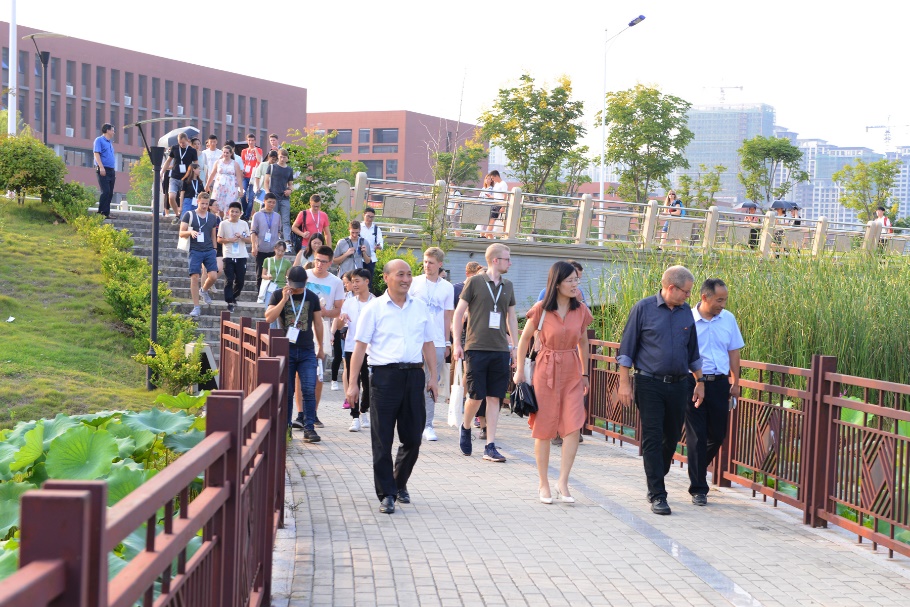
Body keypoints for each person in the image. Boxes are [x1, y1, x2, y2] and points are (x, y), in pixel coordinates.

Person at [346, 259, 437, 514]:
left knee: (413, 438)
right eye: (400, 274)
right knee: (382, 438)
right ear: (386, 278)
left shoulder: (420, 307)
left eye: (409, 274)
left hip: (414, 376)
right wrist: (353, 384)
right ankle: (387, 493)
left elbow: (428, 343)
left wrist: (433, 377)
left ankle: (398, 482)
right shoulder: (374, 309)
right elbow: (359, 348)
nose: (406, 279)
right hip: (384, 378)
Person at [616, 265, 705, 516]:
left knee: (672, 436)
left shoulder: (686, 312)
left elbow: (693, 351)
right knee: (652, 437)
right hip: (649, 383)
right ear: (671, 288)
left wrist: (700, 381)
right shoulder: (643, 309)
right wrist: (624, 383)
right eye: (686, 291)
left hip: (679, 384)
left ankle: (656, 473)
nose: (689, 296)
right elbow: (626, 349)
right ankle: (658, 494)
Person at [513, 261, 593, 504]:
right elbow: (524, 339)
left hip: (571, 371)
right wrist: (519, 371)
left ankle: (563, 482)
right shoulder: (541, 309)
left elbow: (583, 342)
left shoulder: (581, 310)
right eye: (570, 280)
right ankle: (543, 483)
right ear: (557, 283)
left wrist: (585, 374)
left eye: (576, 280)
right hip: (545, 370)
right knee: (544, 428)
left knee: (574, 425)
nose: (575, 284)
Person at [452, 243, 519, 462]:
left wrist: (515, 347)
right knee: (476, 396)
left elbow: (511, 318)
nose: (510, 263)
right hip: (476, 347)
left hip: (500, 349)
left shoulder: (508, 285)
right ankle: (466, 426)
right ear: (495, 260)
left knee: (495, 397)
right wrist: (457, 343)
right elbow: (458, 313)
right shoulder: (474, 282)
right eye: (507, 259)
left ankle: (490, 445)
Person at [686, 278, 744, 506]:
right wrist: (696, 380)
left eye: (725, 300)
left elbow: (734, 352)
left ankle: (696, 468)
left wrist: (736, 381)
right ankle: (699, 488)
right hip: (693, 383)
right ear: (705, 297)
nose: (723, 304)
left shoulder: (728, 319)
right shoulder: (687, 319)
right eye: (719, 300)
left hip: (720, 384)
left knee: (718, 435)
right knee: (697, 436)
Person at [265, 266, 324, 443]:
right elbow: (268, 317)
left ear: (306, 282)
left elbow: (318, 323)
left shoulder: (312, 297)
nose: (297, 289)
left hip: (307, 350)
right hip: (286, 349)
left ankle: (309, 428)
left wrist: (320, 347)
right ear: (287, 281)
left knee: (309, 388)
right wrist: (284, 300)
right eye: (294, 285)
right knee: (287, 391)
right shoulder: (277, 294)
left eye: (300, 285)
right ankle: (286, 428)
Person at [289, 246, 345, 429]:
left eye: (324, 262)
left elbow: (338, 309)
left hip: (323, 327)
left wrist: (323, 312)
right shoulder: (304, 276)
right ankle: (300, 414)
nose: (319, 264)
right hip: (301, 328)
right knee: (299, 374)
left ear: (330, 263)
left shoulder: (336, 282)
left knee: (318, 373)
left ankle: (312, 413)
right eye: (317, 260)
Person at [409, 247, 455, 442]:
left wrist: (447, 341)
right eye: (425, 262)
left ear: (440, 264)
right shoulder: (414, 282)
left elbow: (447, 316)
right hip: (414, 338)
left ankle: (428, 424)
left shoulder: (447, 287)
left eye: (431, 263)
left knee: (431, 382)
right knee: (411, 381)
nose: (427, 266)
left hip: (436, 340)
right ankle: (410, 420)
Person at [337, 268, 374, 431]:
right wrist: (342, 319)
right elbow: (340, 325)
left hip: (371, 349)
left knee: (368, 382)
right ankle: (355, 417)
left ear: (367, 281)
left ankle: (364, 410)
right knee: (354, 381)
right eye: (352, 282)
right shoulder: (348, 302)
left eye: (357, 281)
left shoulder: (376, 302)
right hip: (352, 347)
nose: (354, 285)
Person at [178, 192, 219, 318]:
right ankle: (196, 307)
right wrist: (190, 232)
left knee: (213, 276)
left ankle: (204, 290)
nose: (204, 206)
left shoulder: (212, 217)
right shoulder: (189, 214)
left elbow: (213, 235)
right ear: (198, 202)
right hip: (195, 250)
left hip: (209, 249)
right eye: (202, 204)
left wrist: (215, 248)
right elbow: (181, 232)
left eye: (206, 204)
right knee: (195, 277)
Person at [217, 201, 251, 313]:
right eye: (232, 211)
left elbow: (249, 239)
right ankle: (229, 301)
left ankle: (234, 296)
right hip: (228, 255)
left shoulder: (244, 224)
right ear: (228, 212)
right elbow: (219, 239)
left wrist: (241, 237)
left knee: (240, 280)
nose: (234, 214)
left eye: (237, 212)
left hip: (241, 255)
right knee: (229, 279)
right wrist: (229, 240)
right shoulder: (223, 224)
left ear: (240, 213)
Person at [161, 133, 199, 223]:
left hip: (186, 178)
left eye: (183, 142)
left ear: (187, 140)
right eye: (180, 143)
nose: (182, 144)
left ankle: (182, 215)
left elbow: (196, 164)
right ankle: (177, 214)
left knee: (184, 199)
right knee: (171, 197)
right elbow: (168, 161)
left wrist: (195, 176)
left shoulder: (192, 150)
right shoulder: (174, 148)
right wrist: (162, 172)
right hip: (174, 176)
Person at [262, 149, 295, 246]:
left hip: (284, 197)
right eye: (281, 157)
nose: (282, 159)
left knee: (285, 220)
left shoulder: (289, 169)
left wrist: (290, 190)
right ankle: (273, 238)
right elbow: (266, 182)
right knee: (273, 219)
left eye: (284, 157)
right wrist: (268, 194)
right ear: (278, 157)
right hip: (273, 197)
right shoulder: (272, 167)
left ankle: (287, 241)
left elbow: (291, 184)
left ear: (287, 158)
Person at [250, 193, 282, 291]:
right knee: (260, 273)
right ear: (264, 201)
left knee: (273, 273)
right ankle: (260, 293)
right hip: (261, 248)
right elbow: (253, 232)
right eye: (269, 202)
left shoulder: (277, 216)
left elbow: (279, 231)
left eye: (273, 202)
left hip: (273, 249)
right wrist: (254, 246)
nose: (271, 204)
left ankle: (271, 293)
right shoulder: (257, 215)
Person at [206, 145, 244, 215]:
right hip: (219, 187)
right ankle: (218, 219)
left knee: (229, 205)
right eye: (224, 152)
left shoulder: (235, 164)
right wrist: (207, 185)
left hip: (230, 188)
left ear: (231, 153)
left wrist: (241, 190)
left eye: (227, 153)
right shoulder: (218, 162)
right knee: (218, 205)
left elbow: (239, 177)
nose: (225, 154)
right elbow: (212, 174)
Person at [92, 123, 116, 219]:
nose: (113, 132)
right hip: (103, 169)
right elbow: (96, 154)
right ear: (107, 130)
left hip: (111, 170)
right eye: (112, 130)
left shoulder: (110, 143)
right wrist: (101, 167)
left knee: (110, 193)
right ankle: (101, 212)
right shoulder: (99, 140)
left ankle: (106, 213)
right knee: (105, 191)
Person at [240, 133, 262, 220]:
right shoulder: (244, 151)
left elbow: (259, 160)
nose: (251, 142)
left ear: (255, 141)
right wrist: (242, 171)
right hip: (245, 175)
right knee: (242, 194)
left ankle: (247, 216)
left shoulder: (259, 150)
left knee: (251, 197)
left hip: (254, 176)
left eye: (252, 140)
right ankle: (245, 212)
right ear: (247, 141)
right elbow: (242, 162)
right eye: (249, 140)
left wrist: (255, 150)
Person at [361, 207, 383, 291]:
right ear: (364, 215)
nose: (370, 219)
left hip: (371, 258)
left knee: (368, 280)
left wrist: (379, 246)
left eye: (372, 217)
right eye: (368, 216)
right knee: (357, 278)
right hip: (359, 257)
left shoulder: (376, 229)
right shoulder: (359, 227)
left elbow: (380, 242)